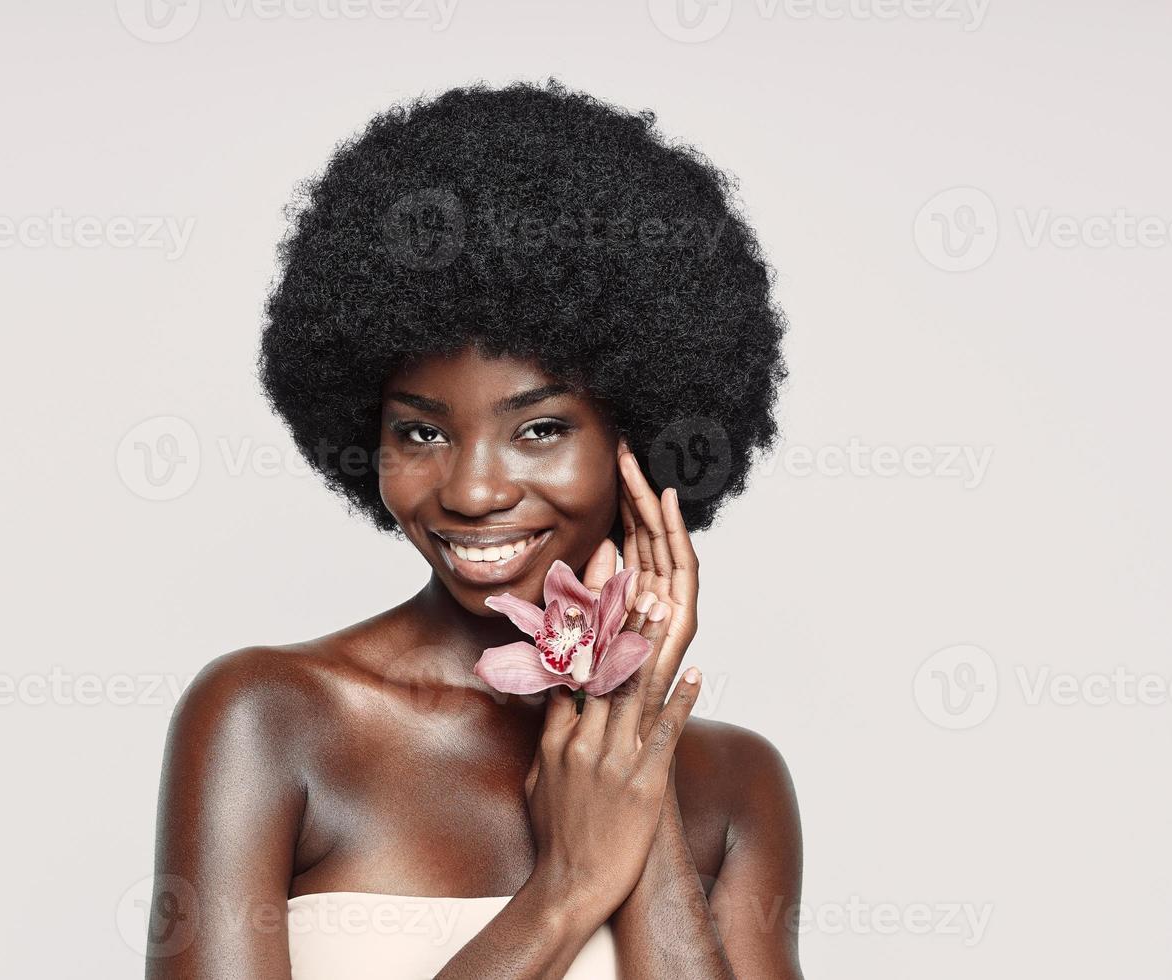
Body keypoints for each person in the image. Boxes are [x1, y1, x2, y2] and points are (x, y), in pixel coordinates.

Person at [147, 78, 802, 979]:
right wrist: (567, 890)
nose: (472, 490)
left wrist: (629, 744)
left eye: (538, 429)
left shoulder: (738, 786)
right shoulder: (270, 720)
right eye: (421, 431)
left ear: (638, 441)